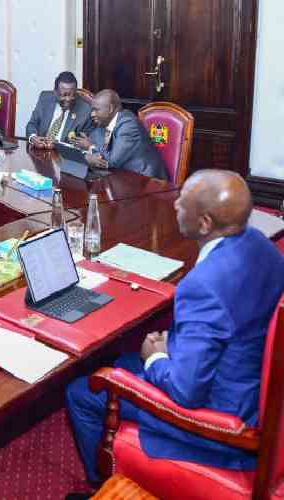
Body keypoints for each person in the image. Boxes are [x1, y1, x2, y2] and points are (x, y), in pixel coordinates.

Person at [65, 170, 284, 495]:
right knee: (121, 360)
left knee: (82, 392)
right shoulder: (261, 245)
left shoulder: (204, 285)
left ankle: (103, 488)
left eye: (183, 202)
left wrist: (156, 358)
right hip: (248, 387)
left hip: (221, 421)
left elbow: (186, 392)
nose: (176, 204)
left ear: (205, 223)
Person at [71, 89, 168, 180]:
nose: (92, 114)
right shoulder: (102, 122)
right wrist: (87, 154)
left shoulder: (128, 124)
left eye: (96, 110)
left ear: (110, 109)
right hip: (120, 176)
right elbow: (96, 151)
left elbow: (112, 161)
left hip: (145, 180)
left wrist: (90, 146)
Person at [26, 71, 94, 147]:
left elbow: (86, 141)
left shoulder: (85, 110)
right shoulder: (45, 98)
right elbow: (32, 124)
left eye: (73, 95)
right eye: (64, 95)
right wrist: (33, 137)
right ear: (55, 92)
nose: (68, 99)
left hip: (64, 153)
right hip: (40, 149)